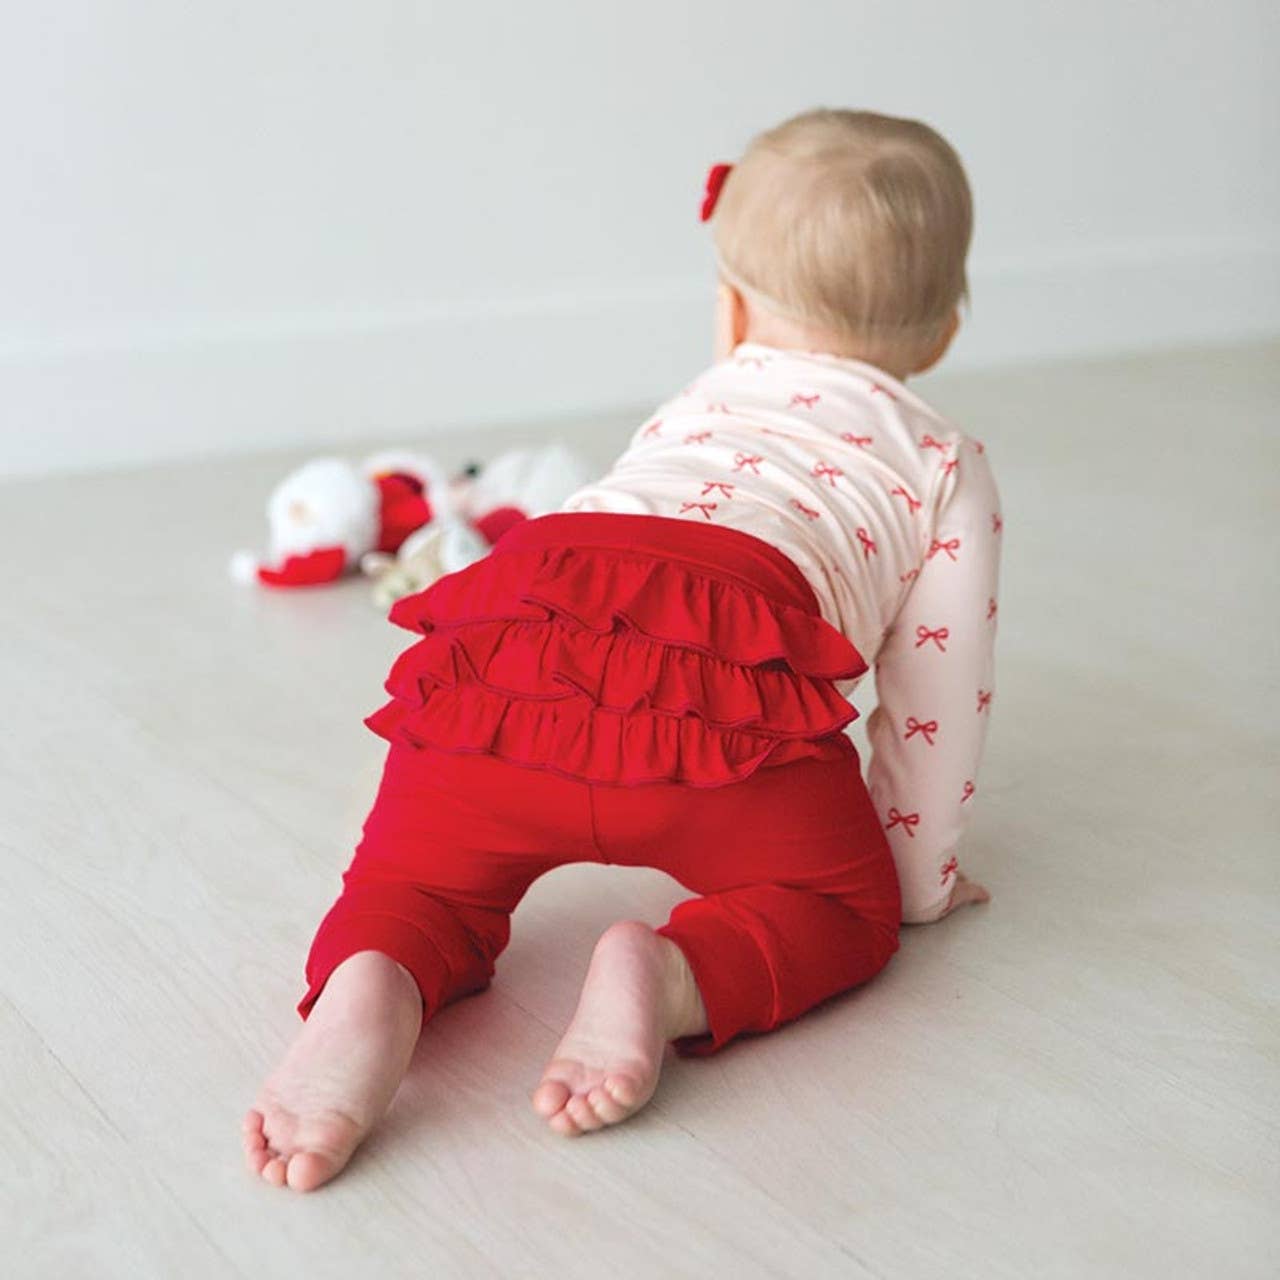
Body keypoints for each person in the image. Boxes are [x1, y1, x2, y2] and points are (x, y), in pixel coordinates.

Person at [243, 107, 1002, 1193]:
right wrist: (918, 881)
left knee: (416, 882)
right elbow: (936, 689)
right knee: (844, 909)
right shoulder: (942, 460)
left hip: (512, 657)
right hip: (721, 729)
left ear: (730, 310)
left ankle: (376, 980)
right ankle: (669, 970)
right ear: (943, 331)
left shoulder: (693, 403)